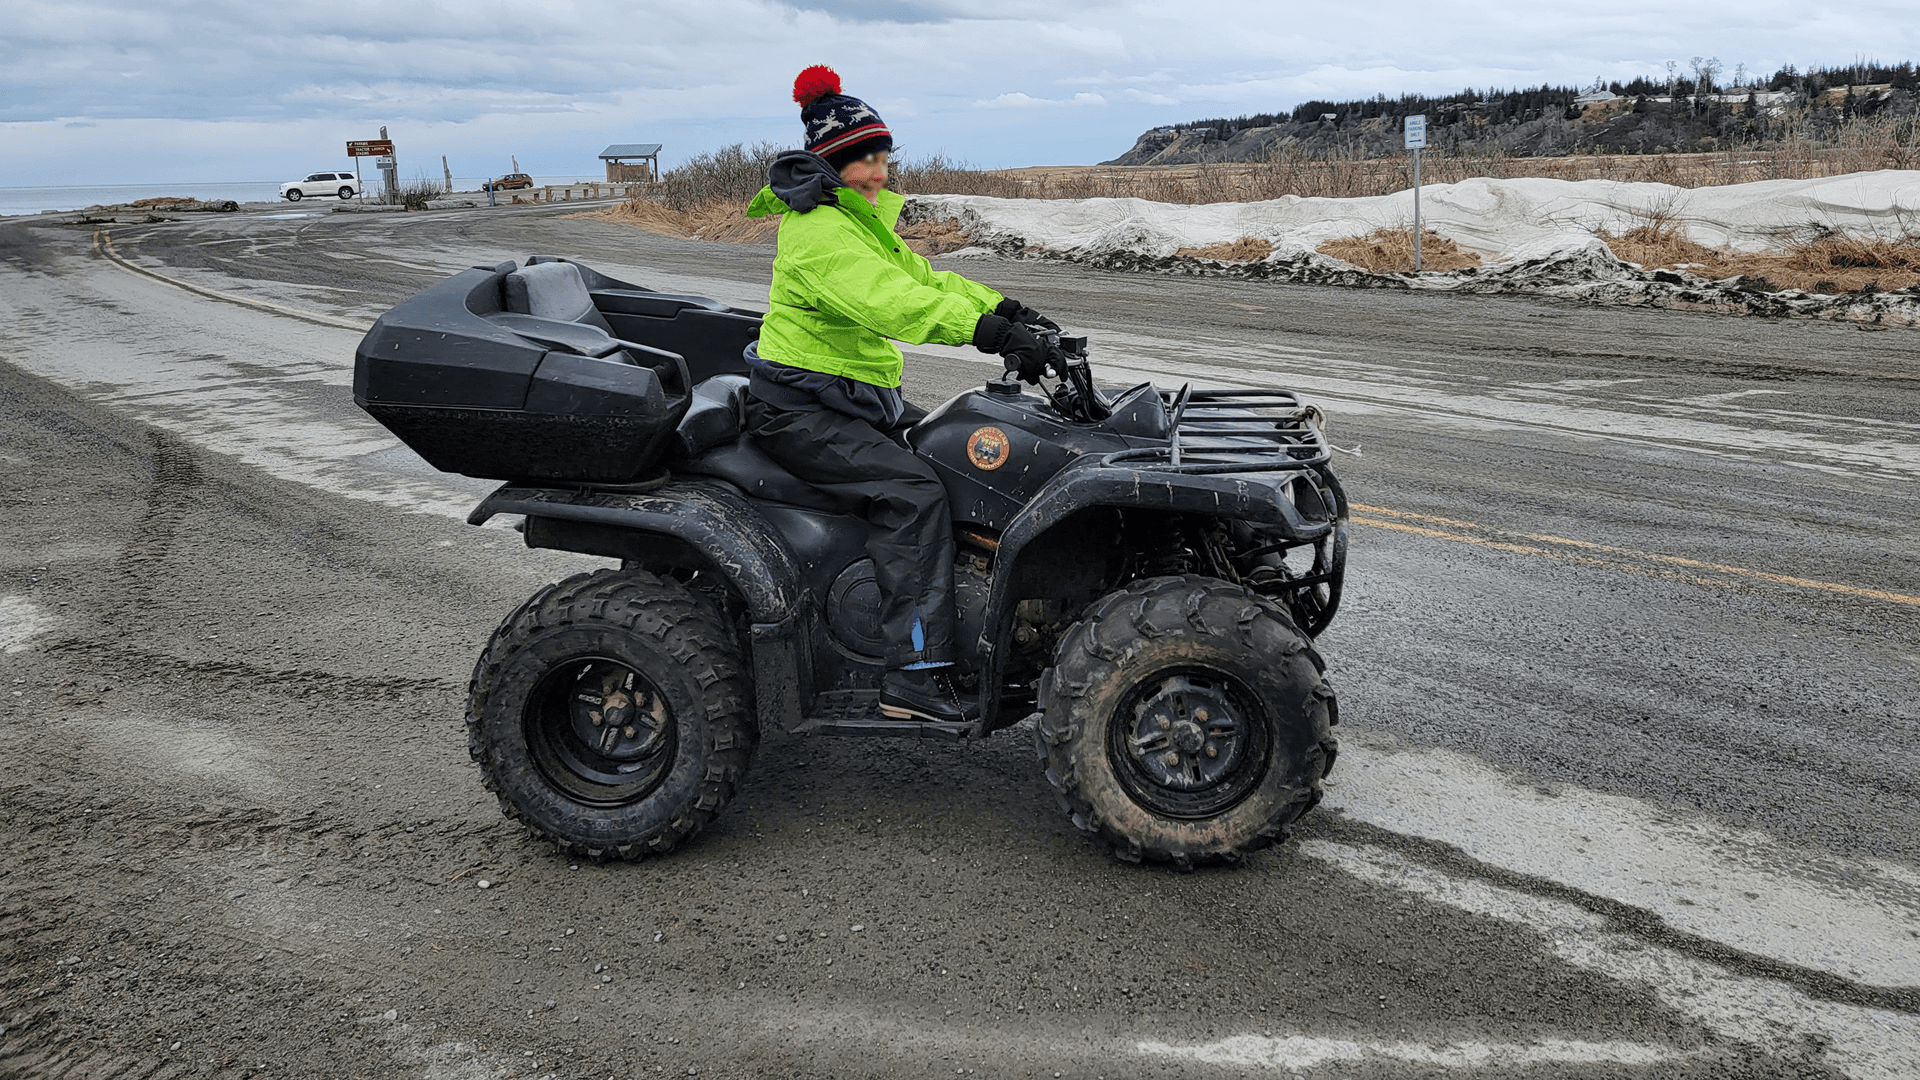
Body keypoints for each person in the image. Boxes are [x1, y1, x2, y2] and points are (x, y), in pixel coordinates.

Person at [744, 64, 1056, 724]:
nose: (881, 173)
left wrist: (1007, 307)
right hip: (801, 412)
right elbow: (892, 304)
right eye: (867, 161)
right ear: (834, 163)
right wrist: (990, 334)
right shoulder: (820, 234)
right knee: (912, 495)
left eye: (885, 158)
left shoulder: (856, 222)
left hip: (847, 402)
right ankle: (914, 673)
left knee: (956, 452)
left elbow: (925, 280)